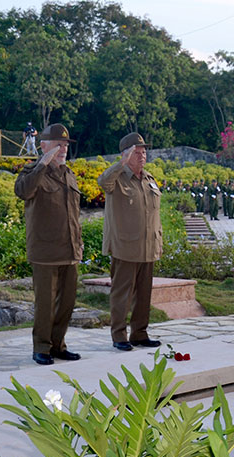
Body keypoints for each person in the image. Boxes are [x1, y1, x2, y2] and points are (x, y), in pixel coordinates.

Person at [14, 123, 82, 365]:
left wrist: (79, 244)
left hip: (69, 251)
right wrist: (42, 164)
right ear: (43, 146)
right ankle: (41, 347)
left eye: (65, 145)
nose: (62, 149)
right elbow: (23, 191)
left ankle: (57, 344)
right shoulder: (32, 172)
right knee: (45, 304)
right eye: (57, 144)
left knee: (67, 303)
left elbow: (73, 214)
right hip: (45, 251)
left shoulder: (69, 174)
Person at [98, 132, 162, 351]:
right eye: (137, 152)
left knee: (144, 295)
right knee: (122, 295)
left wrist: (158, 241)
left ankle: (139, 333)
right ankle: (119, 336)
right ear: (125, 155)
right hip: (125, 247)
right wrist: (120, 165)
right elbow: (102, 182)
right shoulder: (116, 178)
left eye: (144, 152)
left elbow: (154, 215)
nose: (142, 156)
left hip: (147, 246)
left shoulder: (149, 179)